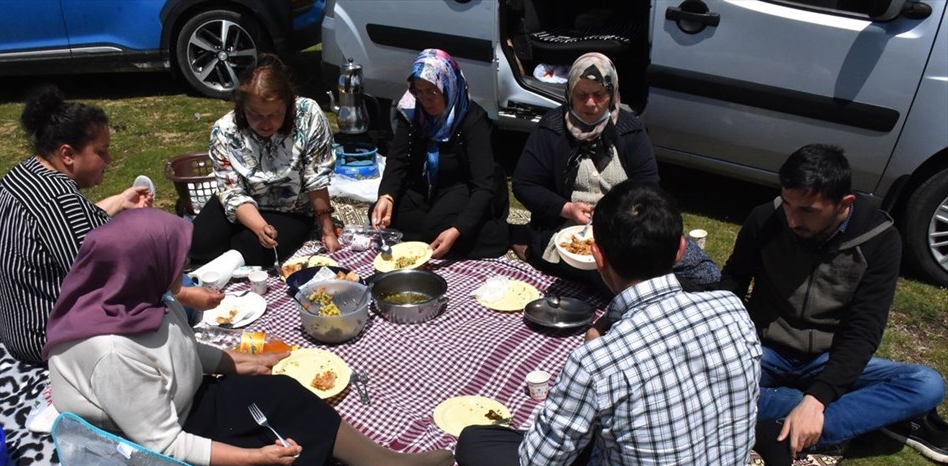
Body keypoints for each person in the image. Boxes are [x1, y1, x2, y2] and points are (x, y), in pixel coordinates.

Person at [45, 208, 454, 466]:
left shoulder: (141, 297)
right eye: (174, 264)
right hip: (140, 456)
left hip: (179, 408)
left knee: (283, 392)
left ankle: (384, 464)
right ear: (143, 269)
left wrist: (244, 363)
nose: (182, 273)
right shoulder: (112, 353)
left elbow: (181, 353)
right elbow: (164, 445)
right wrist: (253, 458)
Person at [456, 181, 761, 466]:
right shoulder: (730, 307)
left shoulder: (597, 361)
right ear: (682, 249)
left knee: (475, 444)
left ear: (596, 256)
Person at [719, 144, 947, 466]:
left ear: (845, 204)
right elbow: (733, 280)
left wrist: (818, 398)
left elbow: (863, 331)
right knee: (707, 380)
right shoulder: (766, 218)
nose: (793, 218)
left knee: (926, 384)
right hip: (762, 349)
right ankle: (825, 415)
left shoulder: (881, 241)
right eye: (788, 204)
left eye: (808, 211)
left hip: (828, 359)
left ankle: (774, 423)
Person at [0, 85, 219, 366]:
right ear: (68, 154)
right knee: (177, 309)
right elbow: (114, 283)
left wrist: (118, 202)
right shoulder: (61, 200)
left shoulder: (23, 176)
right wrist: (182, 294)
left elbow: (63, 232)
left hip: (11, 321)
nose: (109, 160)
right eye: (101, 152)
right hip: (45, 339)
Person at [511, 52, 719, 293]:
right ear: (569, 93)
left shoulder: (629, 129)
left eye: (599, 95)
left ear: (612, 93)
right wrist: (566, 208)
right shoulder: (552, 129)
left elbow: (648, 186)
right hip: (570, 231)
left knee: (703, 273)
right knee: (631, 282)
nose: (590, 103)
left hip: (625, 227)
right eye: (582, 95)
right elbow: (525, 184)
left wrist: (621, 214)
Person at [190, 54, 340, 268]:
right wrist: (259, 225)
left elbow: (316, 178)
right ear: (242, 107)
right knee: (197, 245)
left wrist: (327, 229)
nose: (265, 123)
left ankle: (236, 249)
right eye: (256, 115)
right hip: (243, 203)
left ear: (287, 105)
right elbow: (231, 191)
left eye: (274, 114)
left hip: (291, 209)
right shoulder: (225, 130)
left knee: (255, 251)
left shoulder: (309, 115)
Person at [370, 49, 509, 259]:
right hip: (423, 188)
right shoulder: (411, 110)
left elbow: (483, 185)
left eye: (432, 92)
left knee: (437, 230)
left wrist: (457, 230)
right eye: (419, 91)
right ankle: (434, 228)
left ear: (448, 86)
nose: (425, 100)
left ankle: (498, 234)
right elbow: (398, 158)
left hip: (460, 186)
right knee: (382, 218)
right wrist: (386, 196)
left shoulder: (472, 120)